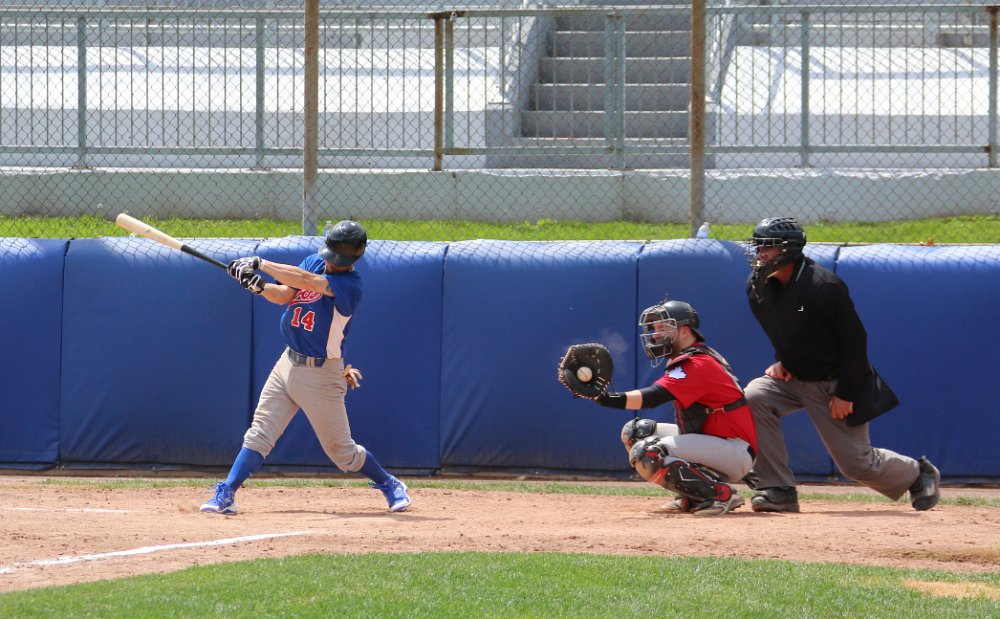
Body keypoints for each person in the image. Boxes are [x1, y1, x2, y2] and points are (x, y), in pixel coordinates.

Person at [200, 220, 411, 515]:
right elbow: (285, 294)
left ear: (353, 259)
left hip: (321, 375)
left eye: (340, 260)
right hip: (287, 363)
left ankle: (389, 483)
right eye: (332, 256)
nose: (332, 263)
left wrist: (260, 263)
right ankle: (227, 493)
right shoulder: (315, 261)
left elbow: (308, 282)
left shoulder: (351, 286)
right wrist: (258, 286)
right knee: (260, 433)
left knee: (343, 453)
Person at [743, 216, 940, 513]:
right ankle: (777, 489)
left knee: (857, 464)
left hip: (832, 383)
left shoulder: (823, 286)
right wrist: (782, 360)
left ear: (789, 249)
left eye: (767, 247)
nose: (760, 253)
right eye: (758, 246)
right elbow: (782, 329)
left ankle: (917, 473)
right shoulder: (758, 286)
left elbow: (855, 341)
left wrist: (846, 392)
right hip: (794, 379)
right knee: (755, 396)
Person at [587, 298, 757, 516]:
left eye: (663, 328)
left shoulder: (697, 363)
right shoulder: (689, 357)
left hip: (733, 450)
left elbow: (653, 397)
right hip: (714, 442)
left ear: (684, 331)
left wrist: (604, 398)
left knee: (648, 452)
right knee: (636, 432)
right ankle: (693, 495)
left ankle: (720, 494)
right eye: (655, 329)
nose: (656, 335)